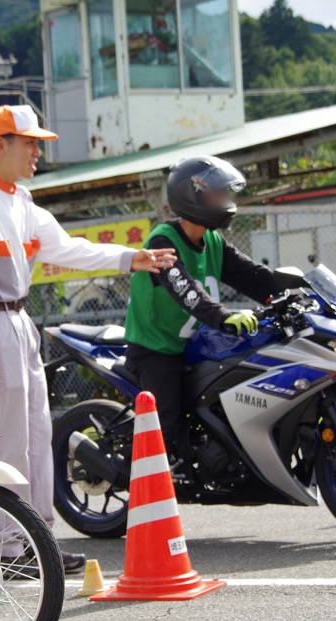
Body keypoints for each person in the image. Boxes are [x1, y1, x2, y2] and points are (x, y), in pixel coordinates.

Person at [0, 104, 176, 574]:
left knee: (35, 434)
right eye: (30, 143)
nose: (37, 153)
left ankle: (35, 540)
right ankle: (2, 544)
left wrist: (132, 258)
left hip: (17, 322)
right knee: (3, 439)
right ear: (0, 144)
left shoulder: (21, 202)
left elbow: (69, 250)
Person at [123, 155, 280, 457]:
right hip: (157, 349)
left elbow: (254, 277)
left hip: (197, 346)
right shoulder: (162, 242)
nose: (224, 200)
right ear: (190, 195)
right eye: (217, 194)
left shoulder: (213, 241)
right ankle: (140, 484)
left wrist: (302, 294)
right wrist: (223, 317)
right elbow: (186, 291)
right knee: (164, 424)